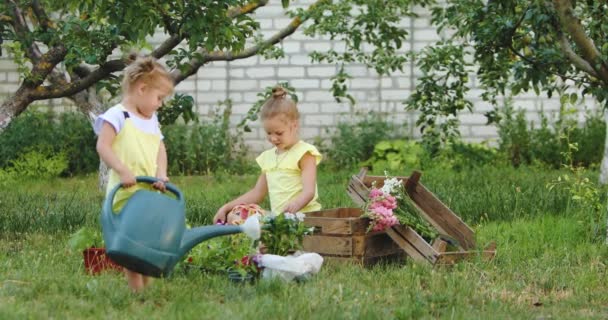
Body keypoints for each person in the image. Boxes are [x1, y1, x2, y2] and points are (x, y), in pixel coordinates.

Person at [94, 54, 174, 292]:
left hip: (149, 190)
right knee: (132, 243)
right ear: (142, 89)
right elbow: (103, 146)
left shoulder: (151, 118)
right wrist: (121, 169)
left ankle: (145, 289)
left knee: (147, 241)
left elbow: (160, 147)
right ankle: (136, 290)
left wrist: (161, 172)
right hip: (126, 190)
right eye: (159, 98)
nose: (160, 103)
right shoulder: (118, 115)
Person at [214, 86, 322, 224]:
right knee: (236, 213)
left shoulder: (304, 153)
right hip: (279, 218)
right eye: (269, 133)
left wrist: (295, 205)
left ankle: (259, 236)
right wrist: (227, 207)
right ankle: (251, 233)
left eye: (279, 133)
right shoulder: (268, 157)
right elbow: (257, 193)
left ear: (294, 125)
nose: (273, 138)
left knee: (248, 222)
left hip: (303, 217)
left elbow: (309, 192)